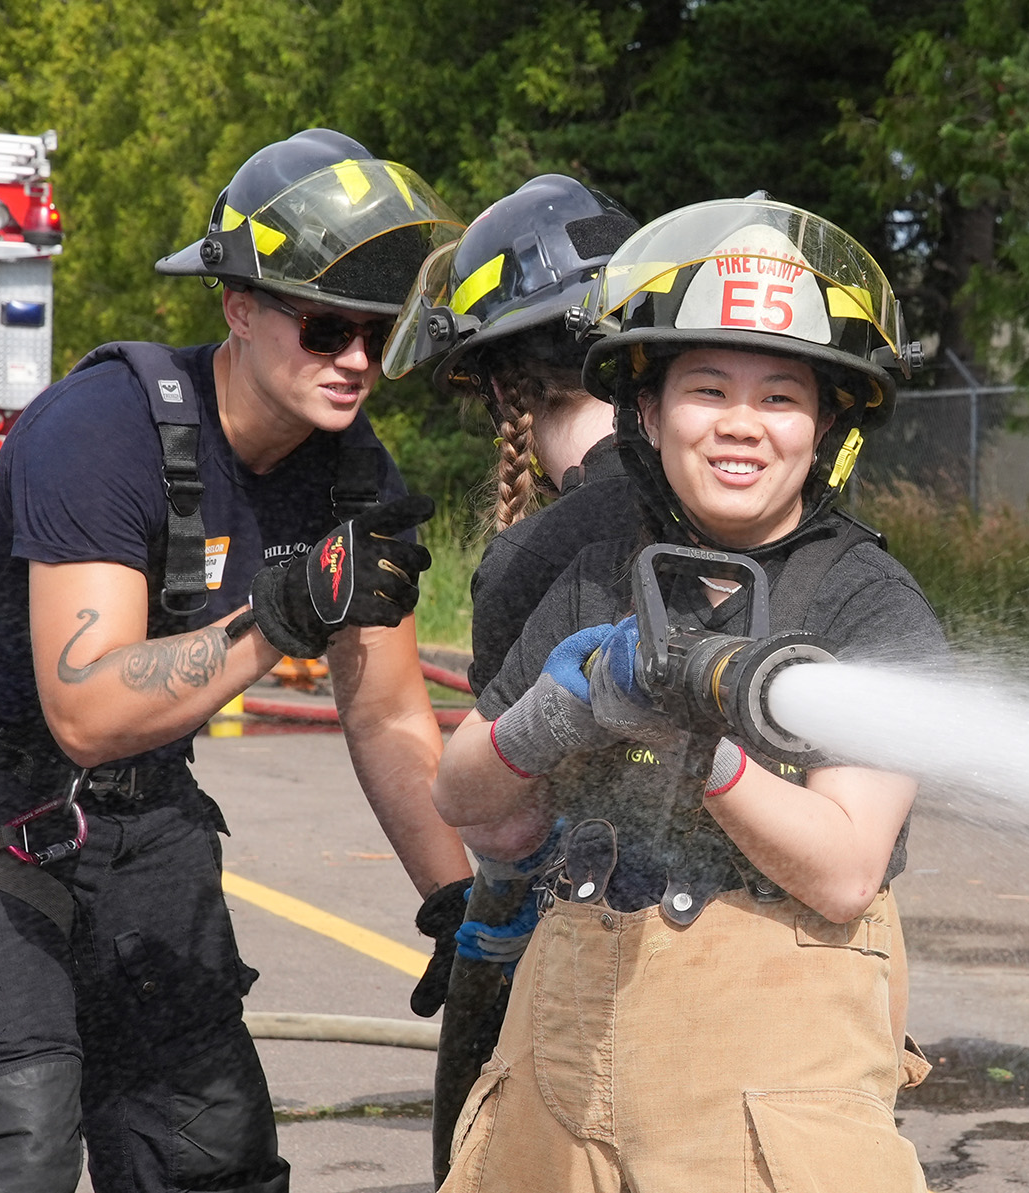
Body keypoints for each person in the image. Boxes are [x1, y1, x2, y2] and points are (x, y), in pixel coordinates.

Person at [0, 128, 472, 1193]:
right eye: (326, 327)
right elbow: (86, 707)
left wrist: (457, 901)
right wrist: (279, 616)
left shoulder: (353, 477)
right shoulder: (104, 428)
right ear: (239, 307)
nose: (357, 361)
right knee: (9, 1135)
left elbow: (388, 713)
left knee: (204, 1149)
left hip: (131, 796)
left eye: (379, 331)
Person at [430, 198, 942, 1192]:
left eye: (780, 396)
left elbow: (845, 870)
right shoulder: (592, 571)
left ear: (827, 427)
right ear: (649, 412)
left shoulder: (867, 605)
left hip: (769, 1053)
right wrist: (555, 714)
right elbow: (463, 794)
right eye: (708, 388)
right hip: (564, 1036)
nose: (741, 424)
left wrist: (708, 751)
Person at [381, 173, 641, 1179]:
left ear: (503, 389)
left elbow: (505, 822)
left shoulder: (538, 555)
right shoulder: (754, 509)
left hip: (588, 979)